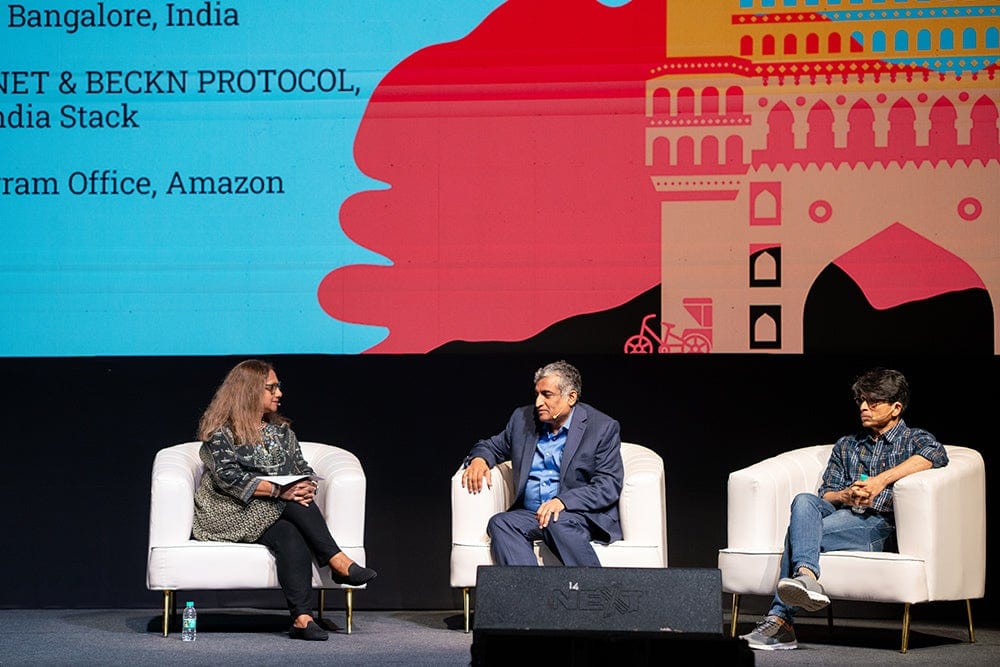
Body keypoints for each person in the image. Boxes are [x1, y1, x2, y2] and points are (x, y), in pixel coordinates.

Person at [741, 367, 949, 650]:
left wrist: (878, 483)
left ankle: (781, 620)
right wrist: (848, 495)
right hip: (845, 514)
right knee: (804, 500)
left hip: (879, 524)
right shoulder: (848, 445)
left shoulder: (913, 439)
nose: (864, 407)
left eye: (873, 401)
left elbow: (934, 454)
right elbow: (827, 493)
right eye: (861, 400)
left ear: (896, 407)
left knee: (798, 534)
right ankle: (806, 579)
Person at [192, 359, 376, 641]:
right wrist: (282, 491)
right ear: (250, 391)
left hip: (271, 512)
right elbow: (229, 479)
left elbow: (301, 466)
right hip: (229, 512)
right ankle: (337, 561)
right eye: (271, 387)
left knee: (291, 534)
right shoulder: (221, 435)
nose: (279, 393)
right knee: (290, 502)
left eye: (278, 387)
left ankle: (302, 619)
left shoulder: (282, 433)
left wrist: (305, 484)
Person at [461, 360, 624, 566]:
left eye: (547, 395)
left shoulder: (601, 427)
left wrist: (564, 501)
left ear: (571, 397)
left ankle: (595, 591)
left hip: (577, 514)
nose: (538, 402)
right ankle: (529, 594)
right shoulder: (523, 419)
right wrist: (479, 459)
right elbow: (492, 446)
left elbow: (608, 484)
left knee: (556, 522)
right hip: (532, 514)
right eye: (537, 394)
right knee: (501, 523)